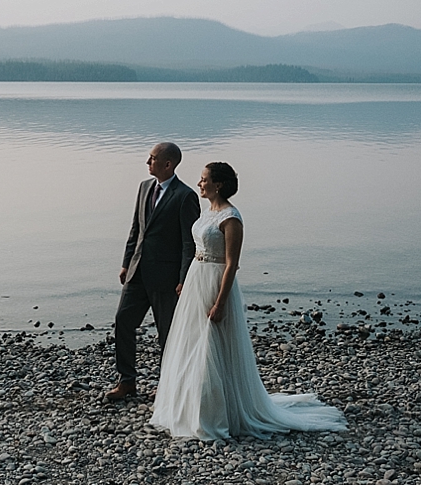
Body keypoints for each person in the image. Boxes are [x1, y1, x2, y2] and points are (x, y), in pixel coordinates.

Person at [149, 162, 347, 439]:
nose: (199, 183)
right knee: (190, 342)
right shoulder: (208, 212)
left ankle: (213, 414)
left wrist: (220, 302)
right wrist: (185, 280)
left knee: (211, 347)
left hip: (216, 282)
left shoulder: (231, 218)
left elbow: (231, 264)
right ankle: (186, 406)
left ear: (218, 184)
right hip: (196, 278)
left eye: (204, 180)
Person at [106, 142, 201, 400]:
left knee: (167, 335)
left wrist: (184, 279)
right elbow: (136, 229)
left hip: (166, 279)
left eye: (152, 158)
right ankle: (127, 382)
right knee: (123, 321)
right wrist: (127, 263)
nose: (147, 162)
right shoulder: (144, 187)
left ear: (167, 164)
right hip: (137, 273)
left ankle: (168, 385)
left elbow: (188, 243)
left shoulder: (185, 196)